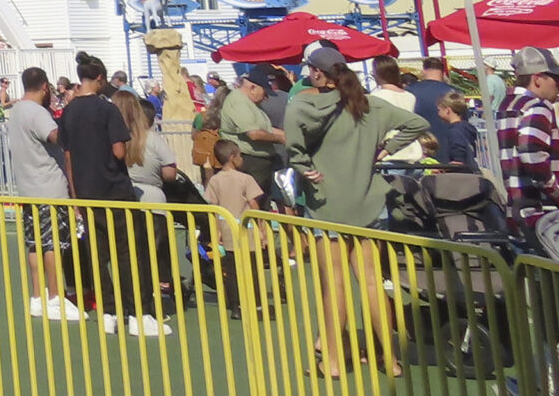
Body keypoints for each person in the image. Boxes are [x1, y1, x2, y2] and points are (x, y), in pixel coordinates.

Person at [286, 47, 431, 378]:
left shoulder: (305, 106)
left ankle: (334, 360)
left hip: (327, 206)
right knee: (371, 283)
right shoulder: (372, 106)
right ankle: (391, 360)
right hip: (368, 205)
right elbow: (417, 122)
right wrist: (386, 149)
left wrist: (305, 167)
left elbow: (293, 150)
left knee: (332, 285)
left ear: (319, 74)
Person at [61, 53, 165, 338]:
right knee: (129, 253)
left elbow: (68, 156)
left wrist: (75, 193)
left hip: (86, 192)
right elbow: (119, 151)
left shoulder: (68, 111)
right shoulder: (107, 110)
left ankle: (108, 311)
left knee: (98, 254)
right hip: (115, 191)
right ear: (100, 79)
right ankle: (139, 314)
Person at [3, 65, 80, 320]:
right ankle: (56, 297)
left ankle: (38, 295)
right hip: (49, 188)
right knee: (53, 245)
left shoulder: (16, 111)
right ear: (45, 87)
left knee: (35, 243)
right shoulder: (37, 112)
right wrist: (71, 114)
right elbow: (56, 136)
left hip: (28, 188)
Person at [496, 46, 559, 236]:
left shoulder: (508, 105)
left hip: (519, 207)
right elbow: (531, 152)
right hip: (545, 214)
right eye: (555, 79)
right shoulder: (537, 106)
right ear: (537, 78)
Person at [201, 139, 260, 317]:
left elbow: (213, 206)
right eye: (240, 155)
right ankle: (255, 303)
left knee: (232, 268)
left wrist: (216, 231)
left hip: (226, 227)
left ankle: (235, 305)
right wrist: (262, 231)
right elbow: (254, 205)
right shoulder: (246, 179)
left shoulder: (215, 181)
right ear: (233, 157)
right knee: (251, 266)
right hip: (246, 226)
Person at [218, 67, 289, 207]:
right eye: (264, 92)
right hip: (250, 161)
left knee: (263, 203)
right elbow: (254, 134)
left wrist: (289, 135)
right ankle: (255, 228)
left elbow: (266, 129)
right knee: (254, 204)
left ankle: (261, 227)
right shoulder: (238, 102)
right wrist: (282, 139)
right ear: (252, 87)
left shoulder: (250, 103)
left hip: (260, 162)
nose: (266, 97)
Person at [432, 91, 480, 168]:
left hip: (460, 175)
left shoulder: (455, 131)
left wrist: (444, 169)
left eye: (439, 110)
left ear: (447, 110)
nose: (438, 113)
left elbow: (458, 160)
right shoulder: (466, 128)